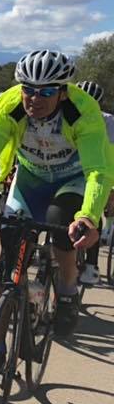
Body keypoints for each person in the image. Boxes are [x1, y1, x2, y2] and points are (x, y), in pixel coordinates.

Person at [0, 50, 112, 358]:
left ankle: (67, 289)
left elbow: (97, 171)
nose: (35, 99)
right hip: (30, 180)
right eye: (29, 89)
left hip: (72, 180)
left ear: (62, 92)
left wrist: (88, 217)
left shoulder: (83, 110)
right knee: (8, 262)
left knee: (61, 224)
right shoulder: (10, 105)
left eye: (46, 92)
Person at [75, 80, 114, 285]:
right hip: (74, 171)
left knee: (93, 214)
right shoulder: (68, 117)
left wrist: (110, 187)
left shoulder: (108, 122)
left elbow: (111, 158)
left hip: (101, 169)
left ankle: (91, 265)